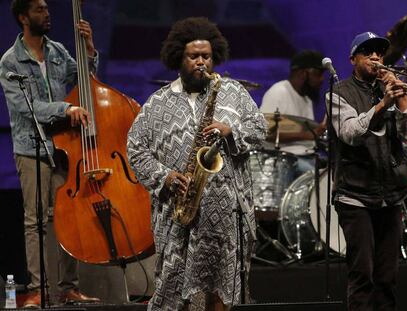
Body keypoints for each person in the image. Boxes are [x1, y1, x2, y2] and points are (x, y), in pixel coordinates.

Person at [127, 17, 267, 311]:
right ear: (179, 57)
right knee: (175, 292)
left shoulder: (233, 92)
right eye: (194, 56)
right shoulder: (157, 104)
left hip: (224, 216)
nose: (201, 62)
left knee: (222, 290)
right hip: (178, 215)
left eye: (206, 56)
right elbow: (136, 149)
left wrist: (231, 132)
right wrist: (165, 177)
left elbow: (259, 129)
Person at [0, 0, 100, 307]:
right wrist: (66, 108)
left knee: (67, 217)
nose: (47, 14)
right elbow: (25, 108)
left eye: (46, 8)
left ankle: (67, 288)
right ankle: (38, 289)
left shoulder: (57, 51)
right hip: (31, 147)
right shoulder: (11, 61)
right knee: (36, 220)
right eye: (40, 10)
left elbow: (84, 78)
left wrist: (89, 51)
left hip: (63, 147)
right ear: (23, 16)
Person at [328, 31, 407, 311]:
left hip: (391, 194)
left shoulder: (388, 87)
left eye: (379, 52)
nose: (376, 57)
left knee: (387, 277)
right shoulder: (338, 93)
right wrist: (382, 104)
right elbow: (351, 133)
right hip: (355, 196)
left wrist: (402, 103)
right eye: (367, 52)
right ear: (353, 58)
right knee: (362, 274)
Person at [260, 50, 327, 177]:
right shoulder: (278, 91)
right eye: (318, 74)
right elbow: (264, 132)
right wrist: (308, 135)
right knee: (313, 175)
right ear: (303, 73)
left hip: (307, 156)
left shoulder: (307, 99)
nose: (322, 79)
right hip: (286, 159)